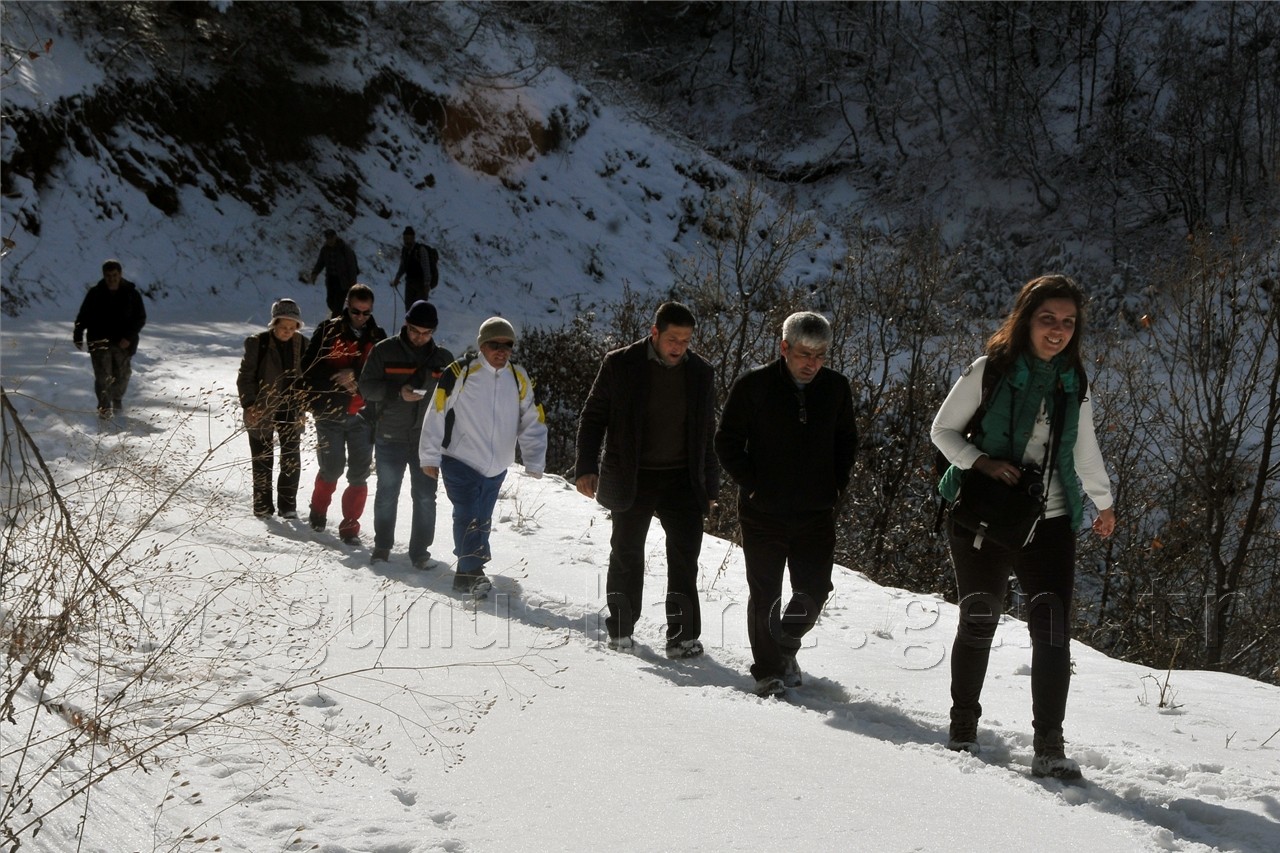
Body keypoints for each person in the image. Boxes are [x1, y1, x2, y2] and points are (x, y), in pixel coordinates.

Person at [931, 273, 1116, 781]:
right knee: (979, 621)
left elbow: (1084, 448)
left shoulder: (1073, 382)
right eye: (1047, 319)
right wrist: (981, 462)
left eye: (1068, 323)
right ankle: (963, 728)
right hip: (986, 514)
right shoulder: (990, 370)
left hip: (1050, 519)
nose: (1057, 330)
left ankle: (1049, 746)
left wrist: (1103, 502)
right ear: (1026, 320)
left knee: (1053, 633)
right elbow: (943, 429)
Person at [714, 311, 858, 697]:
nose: (812, 364)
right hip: (763, 512)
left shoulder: (835, 388)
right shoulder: (754, 386)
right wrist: (754, 484)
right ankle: (768, 673)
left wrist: (836, 485)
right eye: (804, 354)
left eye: (820, 355)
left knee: (814, 590)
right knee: (766, 594)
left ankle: (784, 646)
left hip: (815, 512)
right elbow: (726, 441)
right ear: (784, 348)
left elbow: (847, 441)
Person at [573, 301, 719, 657]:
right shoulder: (620, 363)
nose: (679, 347)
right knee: (626, 553)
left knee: (685, 557)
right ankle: (621, 630)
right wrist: (585, 466)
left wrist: (710, 487)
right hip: (632, 475)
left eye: (685, 341)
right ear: (654, 333)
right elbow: (593, 417)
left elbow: (707, 434)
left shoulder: (701, 372)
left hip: (683, 479)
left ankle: (682, 636)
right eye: (672, 339)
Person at [418, 317, 547, 599]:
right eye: (494, 344)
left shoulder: (518, 377)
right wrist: (429, 455)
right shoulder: (462, 371)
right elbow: (437, 409)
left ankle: (466, 574)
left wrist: (534, 458)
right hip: (460, 458)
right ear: (481, 345)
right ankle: (473, 571)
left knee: (483, 518)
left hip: (498, 465)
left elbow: (533, 418)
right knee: (466, 513)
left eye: (507, 346)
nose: (501, 351)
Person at [358, 300, 455, 570]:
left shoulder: (444, 359)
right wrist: (397, 392)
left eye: (426, 333)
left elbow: (453, 400)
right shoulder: (383, 350)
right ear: (406, 324)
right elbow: (365, 387)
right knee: (388, 492)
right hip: (390, 434)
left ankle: (420, 552)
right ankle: (382, 547)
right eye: (415, 331)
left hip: (427, 440)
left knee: (425, 496)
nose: (420, 337)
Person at [301, 283, 387, 544]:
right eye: (356, 311)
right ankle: (318, 510)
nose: (360, 317)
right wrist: (335, 379)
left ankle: (350, 527)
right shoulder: (327, 331)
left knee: (359, 474)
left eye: (366, 312)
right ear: (347, 308)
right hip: (329, 413)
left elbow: (383, 375)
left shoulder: (378, 336)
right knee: (332, 468)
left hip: (363, 415)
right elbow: (307, 370)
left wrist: (355, 376)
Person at [237, 298, 309, 518]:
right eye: (283, 326)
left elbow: (308, 377)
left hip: (291, 407)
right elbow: (245, 377)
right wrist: (249, 404)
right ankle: (262, 506)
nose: (287, 331)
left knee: (291, 459)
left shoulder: (303, 345)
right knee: (262, 458)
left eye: (292, 327)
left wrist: (305, 401)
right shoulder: (257, 343)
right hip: (261, 407)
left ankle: (287, 506)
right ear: (274, 324)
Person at [72, 259, 147, 419]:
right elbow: (83, 315)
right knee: (102, 376)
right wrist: (78, 334)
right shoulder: (95, 293)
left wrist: (129, 336)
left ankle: (117, 399)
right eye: (108, 275)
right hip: (99, 341)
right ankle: (104, 408)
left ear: (120, 274)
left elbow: (140, 318)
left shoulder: (131, 293)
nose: (111, 278)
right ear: (104, 276)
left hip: (123, 343)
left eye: (114, 275)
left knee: (122, 375)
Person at [309, 228, 360, 317]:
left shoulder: (344, 249)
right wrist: (315, 273)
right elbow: (320, 262)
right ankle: (343, 317)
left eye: (331, 238)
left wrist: (353, 284)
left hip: (343, 281)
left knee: (338, 305)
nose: (330, 240)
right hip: (331, 280)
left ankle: (336, 323)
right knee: (330, 302)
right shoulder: (325, 250)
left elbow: (352, 267)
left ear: (335, 237)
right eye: (327, 238)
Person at [390, 226, 439, 312]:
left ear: (413, 238)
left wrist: (427, 284)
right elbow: (403, 267)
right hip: (409, 284)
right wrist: (397, 278)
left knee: (420, 309)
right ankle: (409, 325)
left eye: (408, 238)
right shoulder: (405, 250)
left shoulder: (420, 250)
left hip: (421, 286)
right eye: (405, 238)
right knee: (409, 309)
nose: (406, 241)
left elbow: (426, 267)